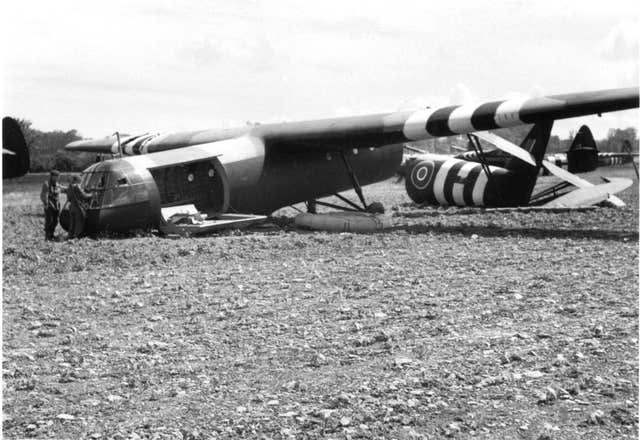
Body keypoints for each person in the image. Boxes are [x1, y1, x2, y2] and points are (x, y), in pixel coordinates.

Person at [40, 170, 63, 241]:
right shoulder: (46, 184)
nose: (57, 178)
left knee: (55, 220)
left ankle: (52, 234)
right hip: (49, 204)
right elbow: (44, 195)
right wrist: (46, 203)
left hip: (57, 204)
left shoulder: (57, 184)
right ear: (52, 176)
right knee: (49, 220)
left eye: (58, 177)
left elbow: (63, 189)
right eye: (56, 177)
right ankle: (47, 236)